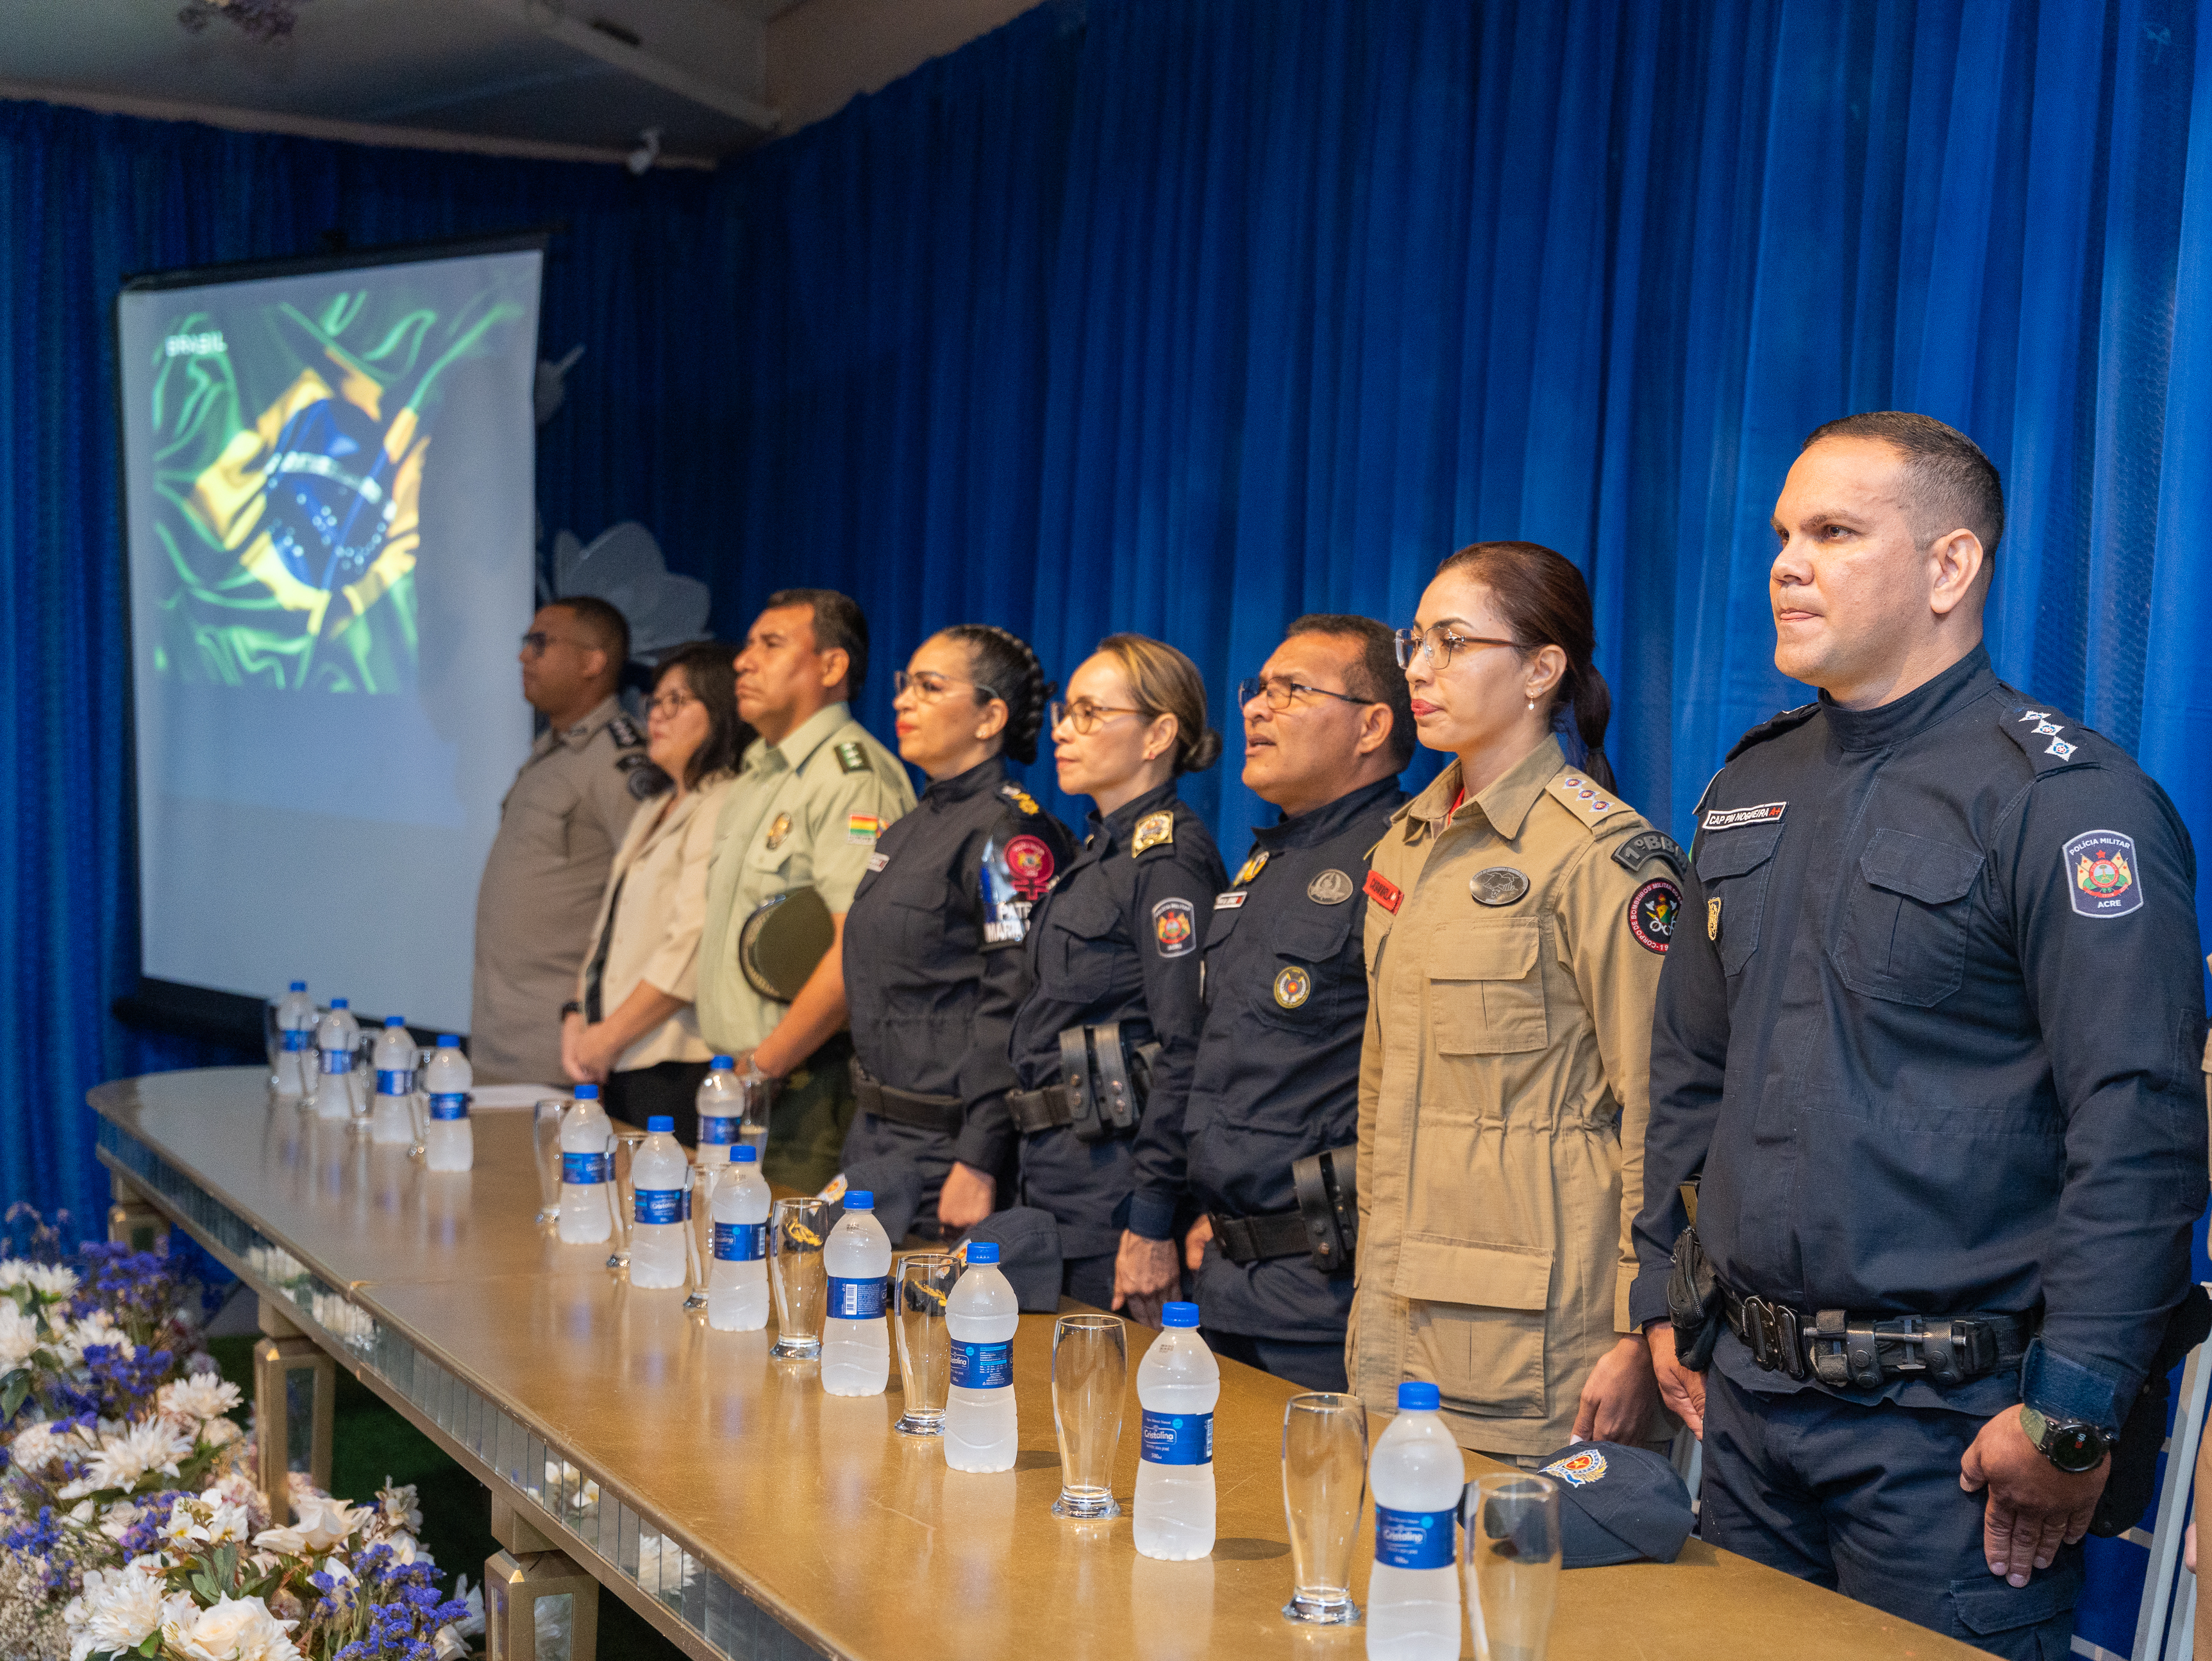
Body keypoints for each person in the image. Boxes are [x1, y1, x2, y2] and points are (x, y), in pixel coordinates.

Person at [1633, 413, 2207, 1658]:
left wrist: (2073, 1414)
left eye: (1833, 532)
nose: (1787, 562)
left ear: (1950, 569)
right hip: (1747, 1411)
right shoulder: (1746, 786)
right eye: (1783, 534)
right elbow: (1690, 1068)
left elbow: (2143, 1120)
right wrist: (1656, 1290)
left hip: (1951, 1442)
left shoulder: (2066, 800)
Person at [1350, 542, 1679, 1462]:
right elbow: (1384, 1091)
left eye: (1451, 642)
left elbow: (1662, 1107)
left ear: (1541, 669)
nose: (1417, 667)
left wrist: (1634, 1329)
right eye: (1414, 641)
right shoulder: (1405, 843)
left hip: (1540, 1338)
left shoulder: (1602, 856)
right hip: (1400, 1304)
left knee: (1521, 1595)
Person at [1162, 615, 1411, 1392]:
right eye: (1257, 689)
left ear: (1372, 725)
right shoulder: (1266, 859)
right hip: (1230, 1279)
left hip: (1326, 1295)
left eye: (1291, 690)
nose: (1256, 709)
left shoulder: (1401, 857)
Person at [1005, 635, 1225, 1317]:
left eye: (1091, 713)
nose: (1064, 731)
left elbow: (1187, 1048)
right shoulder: (1101, 850)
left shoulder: (1168, 863)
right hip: (1055, 1173)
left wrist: (1151, 1215)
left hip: (1113, 1192)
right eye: (1063, 711)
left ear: (1159, 732)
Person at [839, 625, 1077, 1238]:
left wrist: (978, 1155)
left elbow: (1015, 1003)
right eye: (904, 684)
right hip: (873, 1133)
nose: (902, 700)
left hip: (945, 1151)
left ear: (989, 716)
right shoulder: (909, 830)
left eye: (929, 686)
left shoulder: (1008, 834)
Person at [696, 589, 914, 1192]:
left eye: (771, 644)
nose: (743, 661)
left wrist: (762, 1066)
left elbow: (856, 950)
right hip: (742, 1081)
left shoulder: (851, 777)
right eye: (746, 645)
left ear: (831, 666)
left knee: (793, 1276)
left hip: (805, 1084)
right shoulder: (758, 772)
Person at [560, 642, 750, 1140]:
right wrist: (578, 1019)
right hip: (618, 1052)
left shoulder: (723, 801)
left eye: (677, 701)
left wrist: (607, 1037)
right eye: (655, 701)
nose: (657, 716)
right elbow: (609, 934)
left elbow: (691, 942)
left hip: (671, 1060)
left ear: (723, 711)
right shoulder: (660, 801)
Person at [470, 596, 646, 1084]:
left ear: (594, 661)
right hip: (501, 1041)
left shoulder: (617, 761)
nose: (524, 657)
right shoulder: (552, 752)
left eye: (540, 644)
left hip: (561, 1053)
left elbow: (650, 894)